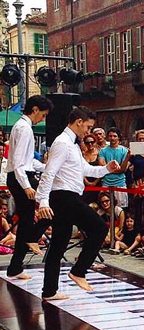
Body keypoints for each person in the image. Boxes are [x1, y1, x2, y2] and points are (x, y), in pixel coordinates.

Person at [36, 106, 120, 300]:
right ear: (79, 122)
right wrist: (43, 202)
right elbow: (49, 172)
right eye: (88, 127)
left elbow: (85, 170)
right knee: (99, 228)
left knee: (58, 243)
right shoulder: (63, 143)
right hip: (65, 197)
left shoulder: (72, 144)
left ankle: (49, 291)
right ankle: (79, 271)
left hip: (66, 196)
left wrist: (107, 168)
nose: (89, 132)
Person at [5, 95, 54, 279]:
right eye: (42, 114)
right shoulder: (24, 128)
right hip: (21, 177)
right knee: (50, 208)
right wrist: (26, 185)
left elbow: (27, 161)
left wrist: (47, 166)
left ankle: (16, 266)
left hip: (21, 175)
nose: (43, 118)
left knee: (26, 220)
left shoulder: (22, 127)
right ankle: (30, 240)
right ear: (34, 110)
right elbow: (19, 163)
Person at [98, 127, 131, 208]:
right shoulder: (103, 151)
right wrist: (114, 169)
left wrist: (109, 169)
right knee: (105, 208)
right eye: (110, 136)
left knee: (120, 209)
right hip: (107, 183)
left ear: (118, 137)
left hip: (120, 183)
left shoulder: (124, 150)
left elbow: (123, 168)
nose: (112, 138)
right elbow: (102, 165)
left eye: (114, 136)